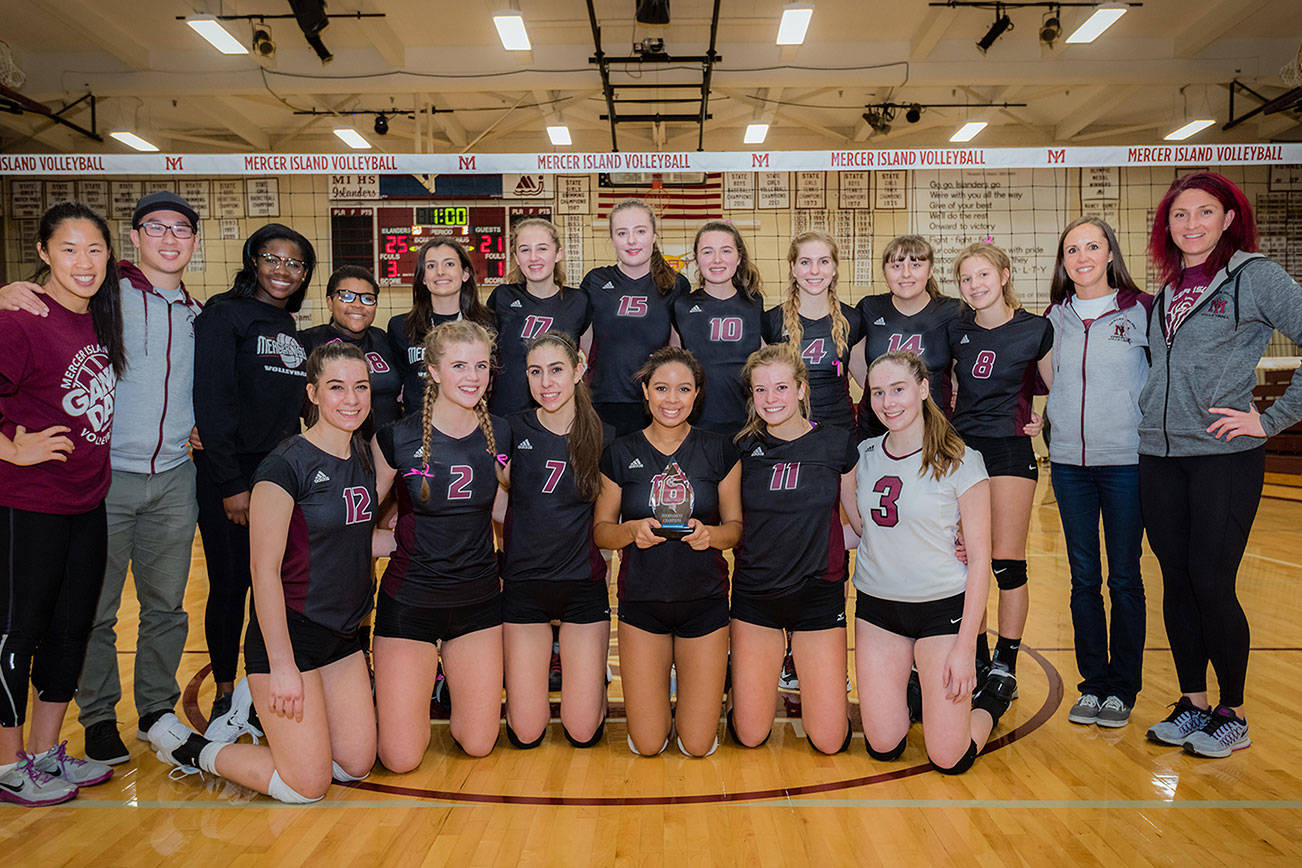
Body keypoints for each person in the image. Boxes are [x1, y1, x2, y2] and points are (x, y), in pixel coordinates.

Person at [0, 191, 204, 766]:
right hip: (102, 478)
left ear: (194, 242)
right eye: (155, 228)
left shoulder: (196, 313)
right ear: (134, 238)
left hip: (173, 477)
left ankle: (157, 710)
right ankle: (97, 719)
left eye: (181, 230)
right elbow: (35, 312)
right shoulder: (102, 292)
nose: (169, 240)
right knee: (93, 612)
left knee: (166, 607)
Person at [148, 343, 378, 803]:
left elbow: (354, 537)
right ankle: (191, 747)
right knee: (307, 786)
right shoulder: (284, 466)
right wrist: (283, 666)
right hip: (289, 636)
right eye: (336, 387)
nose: (350, 398)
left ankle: (260, 716)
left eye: (361, 387)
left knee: (354, 767)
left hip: (342, 636)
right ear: (312, 393)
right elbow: (264, 572)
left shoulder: (363, 455)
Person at [1139, 171, 1302, 757]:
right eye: (1180, 215)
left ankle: (1232, 711)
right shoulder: (1167, 291)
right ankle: (1194, 703)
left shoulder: (1255, 277)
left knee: (1212, 581)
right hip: (1158, 458)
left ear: (1228, 218)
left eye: (1204, 212)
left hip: (1222, 459)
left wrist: (1272, 418)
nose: (1191, 224)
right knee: (1177, 582)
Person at [0, 201, 125, 806]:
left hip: (87, 501)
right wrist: (12, 450)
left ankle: (47, 752)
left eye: (95, 249)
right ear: (44, 253)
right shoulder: (20, 318)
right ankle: (5, 761)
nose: (84, 261)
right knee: (18, 632)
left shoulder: (96, 318)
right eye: (69, 249)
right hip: (28, 505)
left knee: (71, 629)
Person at [844, 351, 1007, 773]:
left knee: (948, 758)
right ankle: (920, 697)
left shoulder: (961, 460)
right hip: (878, 612)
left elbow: (980, 560)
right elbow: (861, 530)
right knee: (881, 744)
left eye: (898, 389)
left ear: (922, 389)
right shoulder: (863, 456)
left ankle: (991, 699)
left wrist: (966, 645)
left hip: (942, 615)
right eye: (877, 392)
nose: (888, 402)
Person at [372, 320, 510, 767]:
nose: (472, 376)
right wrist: (381, 544)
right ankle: (419, 683)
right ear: (432, 370)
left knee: (478, 743)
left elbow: (506, 516)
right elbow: (354, 515)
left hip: (477, 603)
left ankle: (451, 682)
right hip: (410, 601)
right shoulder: (395, 437)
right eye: (458, 365)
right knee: (401, 758)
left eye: (481, 365)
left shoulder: (503, 436)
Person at [594, 347, 742, 757]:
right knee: (648, 744)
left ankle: (710, 697)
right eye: (661, 388)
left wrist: (709, 535)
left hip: (705, 603)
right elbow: (602, 532)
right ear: (645, 392)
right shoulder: (619, 453)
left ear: (697, 395)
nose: (671, 399)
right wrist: (630, 530)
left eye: (683, 389)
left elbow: (734, 529)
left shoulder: (719, 451)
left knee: (696, 745)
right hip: (642, 604)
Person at [194, 223, 313, 719]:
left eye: (295, 263)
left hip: (279, 478)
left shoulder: (291, 328)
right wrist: (230, 484)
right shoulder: (224, 316)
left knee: (271, 584)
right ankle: (225, 693)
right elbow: (213, 403)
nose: (282, 270)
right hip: (233, 477)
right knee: (229, 585)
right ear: (253, 261)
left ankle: (256, 686)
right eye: (272, 258)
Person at [1043, 217, 1152, 728]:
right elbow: (1040, 381)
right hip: (1068, 465)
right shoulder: (1054, 317)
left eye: (1092, 246)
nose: (1082, 256)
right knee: (1083, 578)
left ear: (1111, 253)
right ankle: (1094, 684)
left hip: (1127, 464)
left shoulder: (1143, 311)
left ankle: (1123, 688)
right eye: (1071, 250)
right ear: (1063, 262)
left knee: (1125, 577)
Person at [728, 345, 855, 755]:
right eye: (761, 390)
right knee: (750, 735)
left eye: (781, 387)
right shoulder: (740, 450)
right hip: (756, 598)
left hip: (817, 597)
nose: (771, 398)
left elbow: (860, 520)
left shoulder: (836, 445)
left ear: (801, 389)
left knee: (830, 741)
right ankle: (738, 687)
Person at [947, 242, 1054, 703]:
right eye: (966, 279)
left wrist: (1042, 420)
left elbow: (1058, 386)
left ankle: (1006, 663)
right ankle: (976, 652)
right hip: (963, 451)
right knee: (964, 560)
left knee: (1006, 562)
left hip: (1010, 450)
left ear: (1005, 275)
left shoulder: (1036, 329)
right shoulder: (956, 331)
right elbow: (947, 388)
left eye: (983, 275)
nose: (975, 286)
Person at [501, 332, 613, 749]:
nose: (546, 382)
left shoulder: (605, 434)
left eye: (556, 370)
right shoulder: (509, 430)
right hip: (524, 588)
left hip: (582, 588)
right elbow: (494, 502)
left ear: (579, 370)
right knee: (527, 732)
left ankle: (592, 676)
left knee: (582, 732)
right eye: (535, 371)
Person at [581, 200, 689, 437]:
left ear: (653, 236)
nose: (631, 240)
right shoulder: (596, 282)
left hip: (657, 405)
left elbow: (677, 348)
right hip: (603, 402)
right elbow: (584, 345)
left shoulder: (674, 284)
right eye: (622, 233)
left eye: (640, 231)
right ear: (612, 238)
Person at [857, 235, 962, 441]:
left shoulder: (954, 311)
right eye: (896, 266)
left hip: (933, 423)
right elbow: (855, 359)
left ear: (930, 270)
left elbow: (965, 360)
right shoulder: (869, 308)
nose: (905, 274)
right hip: (877, 423)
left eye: (916, 265)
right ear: (885, 272)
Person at [762, 231, 865, 436]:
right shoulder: (770, 321)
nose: (815, 271)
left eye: (824, 261)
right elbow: (761, 385)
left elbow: (866, 380)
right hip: (786, 429)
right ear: (793, 267)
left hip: (839, 429)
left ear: (834, 268)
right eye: (805, 262)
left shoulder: (852, 319)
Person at [487, 218, 592, 416]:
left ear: (558, 253)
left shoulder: (578, 301)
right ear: (516, 257)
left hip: (559, 414)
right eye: (525, 250)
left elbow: (585, 356)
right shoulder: (502, 297)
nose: (533, 257)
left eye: (542, 249)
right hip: (506, 413)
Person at [672, 221, 764, 438]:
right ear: (696, 259)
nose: (717, 259)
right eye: (707, 251)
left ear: (739, 258)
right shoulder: (682, 306)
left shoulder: (754, 303)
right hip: (696, 421)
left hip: (748, 422)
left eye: (726, 250)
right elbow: (674, 364)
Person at [387, 237, 492, 417]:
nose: (440, 272)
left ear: (465, 274)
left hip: (473, 425)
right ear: (423, 278)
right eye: (431, 266)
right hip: (417, 427)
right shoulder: (401, 326)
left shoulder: (488, 324)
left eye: (449, 264)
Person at [300, 265, 402, 432]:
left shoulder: (382, 338)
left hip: (388, 447)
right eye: (346, 296)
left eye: (368, 298)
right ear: (329, 302)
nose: (357, 305)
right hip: (338, 450)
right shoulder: (309, 341)